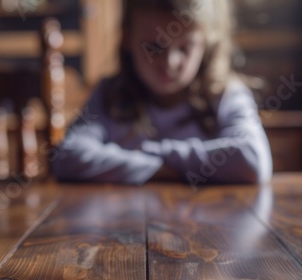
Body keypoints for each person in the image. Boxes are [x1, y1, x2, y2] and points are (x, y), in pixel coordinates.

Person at [51, 0, 272, 186]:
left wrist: (151, 153)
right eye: (154, 47)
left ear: (207, 42)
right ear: (127, 38)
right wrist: (163, 170)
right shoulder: (110, 94)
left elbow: (252, 159)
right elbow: (67, 156)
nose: (169, 62)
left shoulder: (226, 94)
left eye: (185, 48)